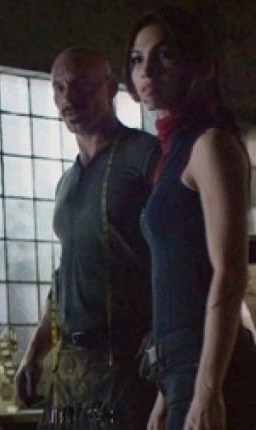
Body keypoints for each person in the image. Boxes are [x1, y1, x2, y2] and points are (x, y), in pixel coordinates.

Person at [124, 6, 256, 430]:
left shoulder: (211, 145)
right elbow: (177, 278)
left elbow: (229, 270)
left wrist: (207, 390)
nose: (146, 71)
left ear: (200, 66)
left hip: (214, 370)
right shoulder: (170, 156)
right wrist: (166, 393)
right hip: (179, 370)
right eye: (137, 59)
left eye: (164, 55)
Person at [14, 46, 159, 429]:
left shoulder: (145, 156)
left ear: (110, 88)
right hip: (73, 368)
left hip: (131, 363)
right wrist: (35, 352)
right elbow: (65, 277)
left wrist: (164, 332)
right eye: (59, 88)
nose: (68, 99)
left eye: (81, 85)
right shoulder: (67, 182)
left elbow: (185, 253)